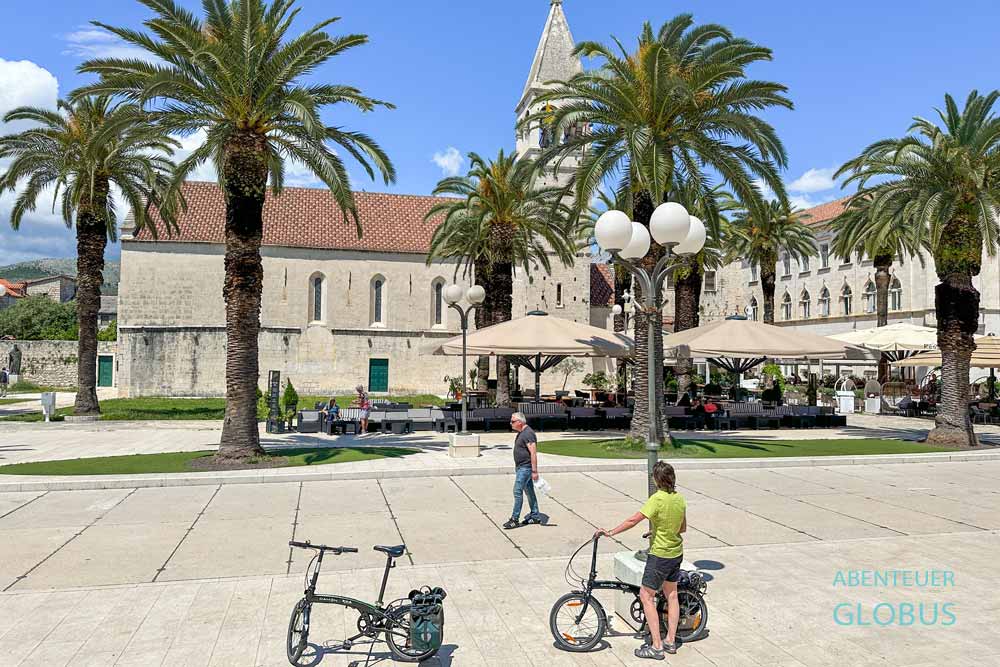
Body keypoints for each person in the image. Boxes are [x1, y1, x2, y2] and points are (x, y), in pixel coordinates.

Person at [597, 462, 686, 660]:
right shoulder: (679, 499)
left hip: (659, 556)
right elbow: (682, 528)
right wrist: (658, 530)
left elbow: (633, 520)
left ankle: (656, 646)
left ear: (656, 480)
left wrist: (610, 532)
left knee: (646, 596)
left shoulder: (657, 499)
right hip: (675, 553)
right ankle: (670, 640)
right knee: (672, 596)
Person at [504, 411, 541, 529]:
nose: (511, 423)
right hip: (521, 467)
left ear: (520, 422)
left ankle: (515, 519)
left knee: (517, 491)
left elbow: (533, 453)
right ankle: (535, 515)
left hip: (525, 468)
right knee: (529, 491)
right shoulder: (522, 433)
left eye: (513, 421)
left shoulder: (528, 434)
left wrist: (534, 471)